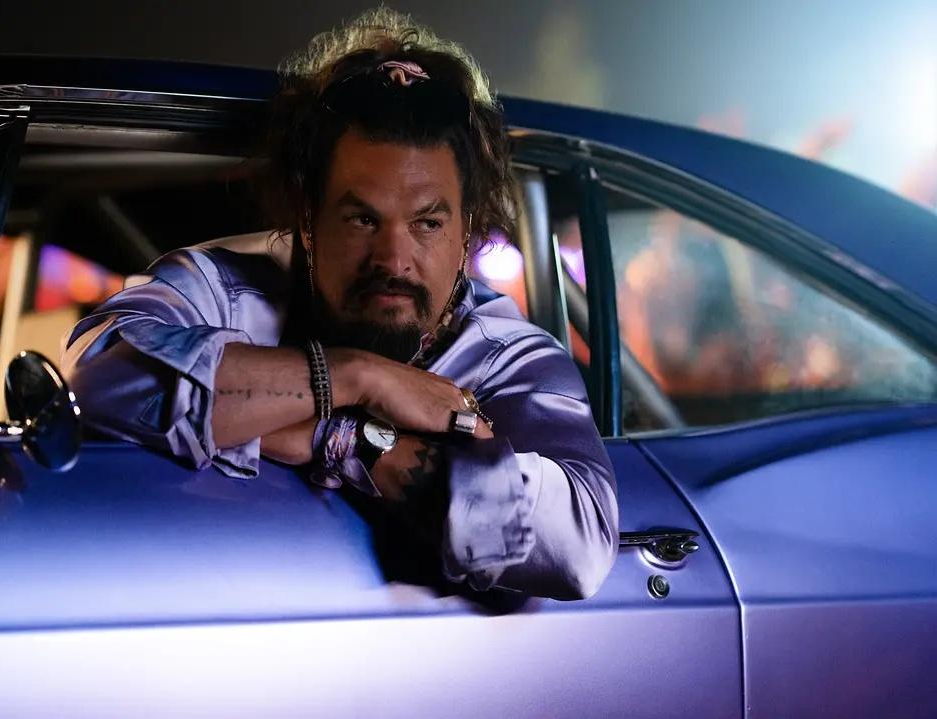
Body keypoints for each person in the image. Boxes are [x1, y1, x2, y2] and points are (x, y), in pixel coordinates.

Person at [61, 8, 618, 600]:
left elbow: (580, 546)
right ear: (309, 219)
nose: (393, 259)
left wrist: (344, 439)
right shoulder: (221, 290)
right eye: (362, 219)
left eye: (427, 223)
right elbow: (98, 387)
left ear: (467, 234)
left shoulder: (509, 356)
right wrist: (357, 378)